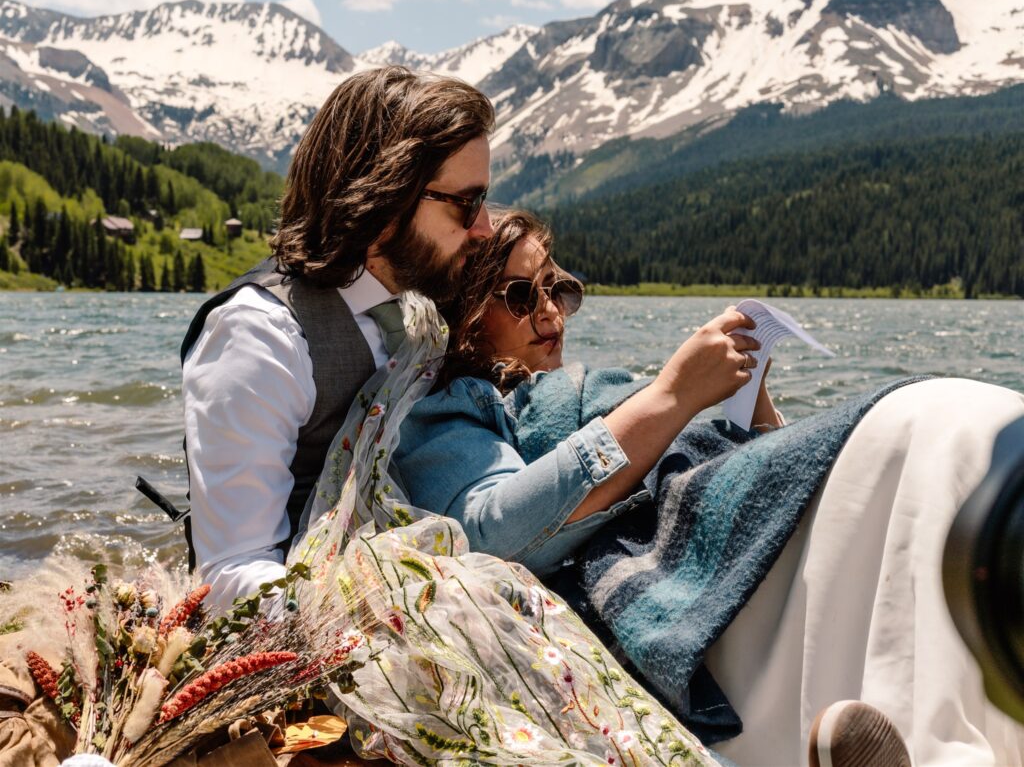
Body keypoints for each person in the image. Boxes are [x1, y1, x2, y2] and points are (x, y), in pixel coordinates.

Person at [390, 209, 1024, 766]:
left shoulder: (589, 386)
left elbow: (709, 465)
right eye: (523, 296)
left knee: (943, 435)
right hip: (668, 553)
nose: (552, 310)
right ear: (468, 316)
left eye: (558, 287)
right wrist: (672, 395)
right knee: (926, 430)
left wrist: (753, 408)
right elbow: (487, 534)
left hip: (721, 519)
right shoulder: (451, 409)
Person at [179, 66, 495, 614]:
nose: (484, 227)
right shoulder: (259, 335)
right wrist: (404, 616)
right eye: (465, 203)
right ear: (385, 197)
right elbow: (231, 574)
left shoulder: (417, 313)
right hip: (326, 621)